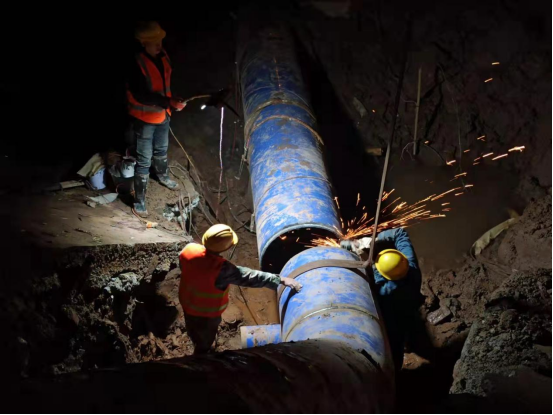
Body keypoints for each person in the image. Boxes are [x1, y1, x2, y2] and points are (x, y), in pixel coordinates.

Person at [179, 224, 302, 354]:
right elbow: (250, 277)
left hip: (187, 303)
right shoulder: (221, 269)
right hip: (206, 314)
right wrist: (280, 279)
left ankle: (195, 339)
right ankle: (202, 354)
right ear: (226, 247)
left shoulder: (189, 249)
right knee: (205, 339)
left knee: (193, 329)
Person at [340, 228, 422, 371]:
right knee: (409, 322)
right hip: (411, 302)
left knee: (394, 341)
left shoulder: (384, 292)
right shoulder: (410, 266)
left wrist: (359, 250)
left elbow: (369, 286)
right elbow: (399, 233)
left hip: (394, 315)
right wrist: (375, 240)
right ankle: (409, 341)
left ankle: (394, 369)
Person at [126, 21, 186, 216]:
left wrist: (173, 101)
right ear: (143, 43)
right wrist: (168, 101)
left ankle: (162, 176)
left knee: (161, 148)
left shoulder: (163, 56)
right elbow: (141, 95)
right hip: (145, 119)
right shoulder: (136, 64)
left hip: (163, 114)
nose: (159, 45)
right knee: (144, 159)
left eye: (160, 40)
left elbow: (166, 83)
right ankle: (139, 200)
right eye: (154, 42)